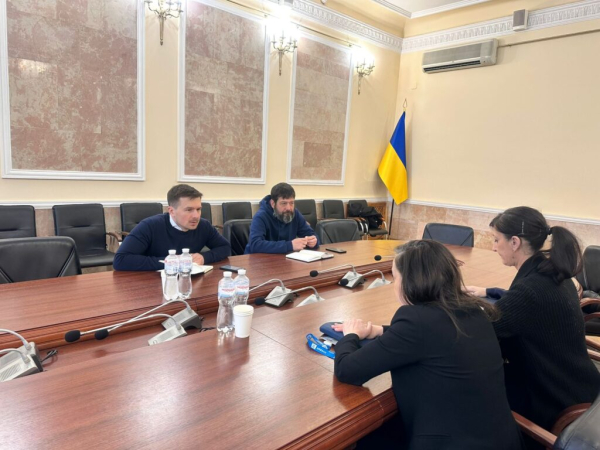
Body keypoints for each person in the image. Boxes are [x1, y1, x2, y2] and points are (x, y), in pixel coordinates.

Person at [334, 240, 524, 450]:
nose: (393, 285)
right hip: (502, 440)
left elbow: (347, 370)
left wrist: (350, 334)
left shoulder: (416, 320)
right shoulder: (474, 310)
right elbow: (436, 337)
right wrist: (381, 331)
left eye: (395, 278)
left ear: (409, 281)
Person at [466, 206, 600, 436]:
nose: (494, 247)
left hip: (553, 401)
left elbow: (479, 332)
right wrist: (488, 291)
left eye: (497, 240)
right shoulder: (552, 273)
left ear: (515, 242)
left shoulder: (530, 291)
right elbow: (523, 305)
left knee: (466, 385)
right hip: (580, 385)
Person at [113, 184, 231, 271]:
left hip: (189, 281)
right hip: (151, 282)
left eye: (198, 209)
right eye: (189, 210)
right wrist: (172, 262)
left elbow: (225, 247)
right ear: (171, 211)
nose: (196, 216)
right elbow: (121, 260)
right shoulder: (149, 226)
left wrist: (204, 257)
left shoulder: (204, 225)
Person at [245, 182, 319, 254]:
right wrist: (289, 245)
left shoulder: (295, 213)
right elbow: (255, 245)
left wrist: (313, 242)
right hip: (258, 260)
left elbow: (312, 235)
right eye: (284, 203)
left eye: (291, 203)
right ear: (273, 204)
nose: (288, 208)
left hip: (284, 259)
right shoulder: (260, 216)